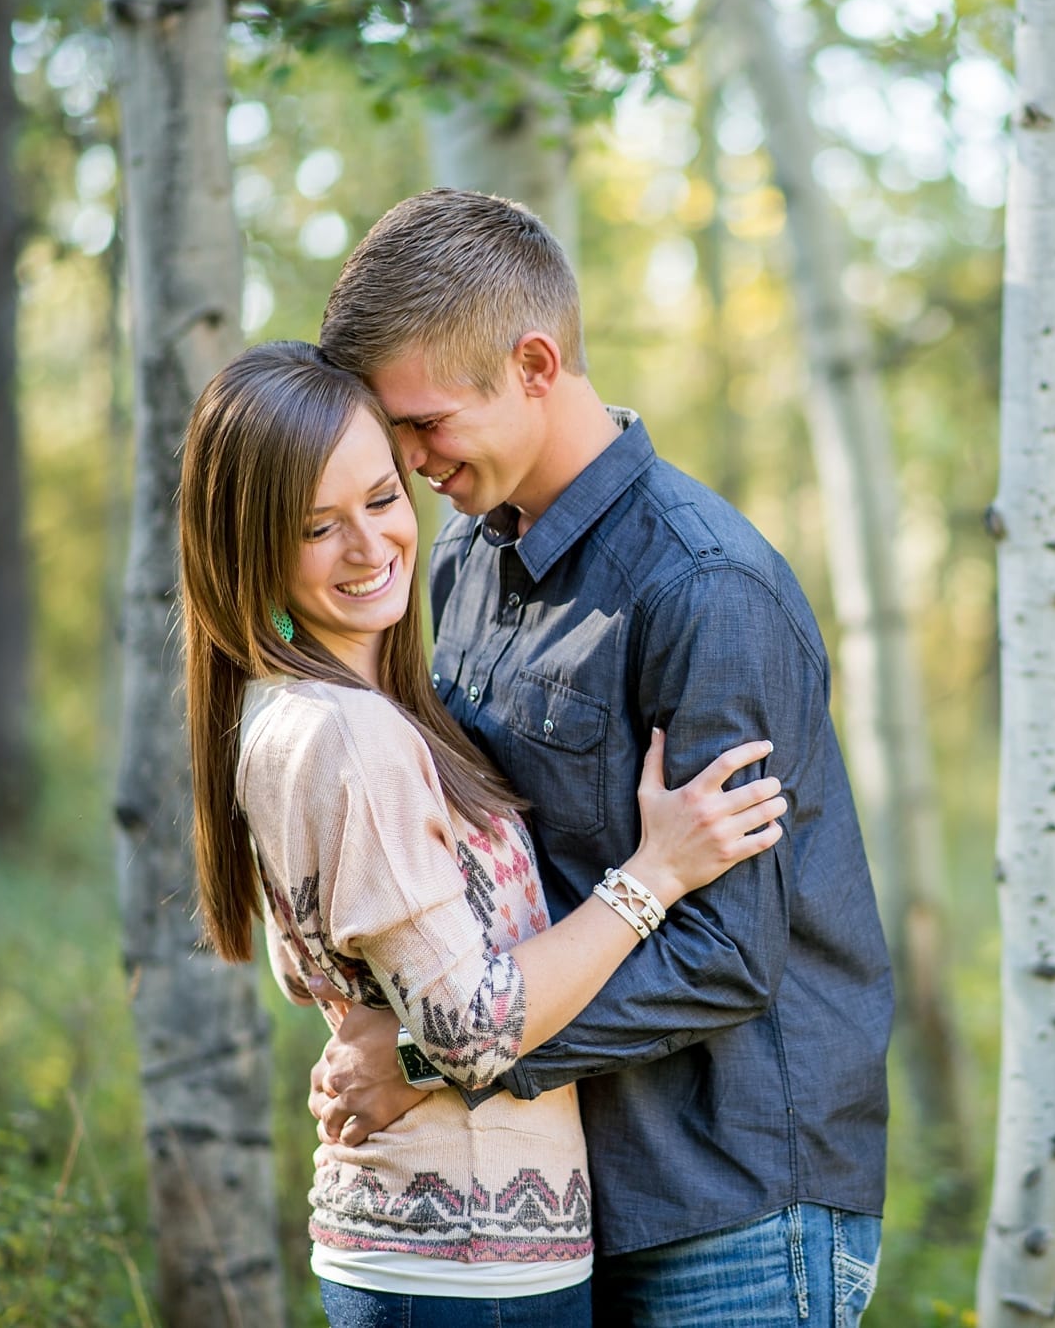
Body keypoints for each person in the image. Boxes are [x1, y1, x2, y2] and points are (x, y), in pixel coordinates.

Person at [307, 189, 895, 1326]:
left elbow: (729, 953)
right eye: (395, 430)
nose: (411, 459)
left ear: (534, 362)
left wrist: (434, 1057)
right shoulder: (464, 566)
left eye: (426, 423)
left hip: (732, 1201)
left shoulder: (705, 588)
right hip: (559, 1190)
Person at [179, 341, 791, 1327]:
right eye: (315, 527)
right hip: (465, 1259)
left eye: (381, 498)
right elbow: (470, 1027)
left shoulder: (302, 710)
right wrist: (655, 872)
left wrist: (407, 1043)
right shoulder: (353, 735)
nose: (370, 545)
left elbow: (352, 984)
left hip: (442, 1248)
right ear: (249, 547)